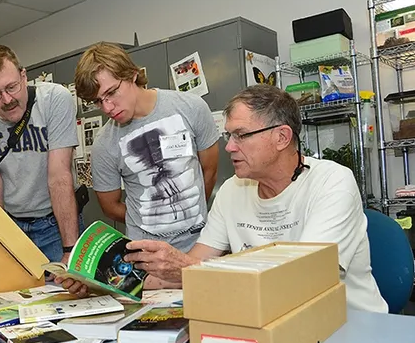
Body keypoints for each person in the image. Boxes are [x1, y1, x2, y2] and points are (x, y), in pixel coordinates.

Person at [60, 85, 388, 313]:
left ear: (282, 137)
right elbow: (187, 268)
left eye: (241, 136)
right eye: (228, 135)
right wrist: (104, 284)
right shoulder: (233, 190)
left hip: (348, 324)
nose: (229, 147)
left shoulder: (332, 182)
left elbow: (305, 282)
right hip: (267, 318)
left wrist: (191, 267)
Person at [74, 42, 219, 253]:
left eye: (112, 92)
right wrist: (147, 222)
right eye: (98, 101)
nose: (106, 107)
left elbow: (210, 170)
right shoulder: (104, 144)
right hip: (145, 254)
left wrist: (190, 211)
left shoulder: (190, 107)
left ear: (132, 75)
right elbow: (110, 206)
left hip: (199, 245)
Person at [0, 45, 81, 263]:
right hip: (11, 223)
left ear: (24, 76)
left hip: (56, 224)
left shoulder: (56, 98)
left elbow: (59, 177)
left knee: (68, 291)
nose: (7, 100)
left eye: (12, 87)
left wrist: (70, 249)